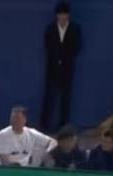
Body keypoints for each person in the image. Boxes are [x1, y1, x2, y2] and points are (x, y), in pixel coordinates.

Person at [41, 1, 81, 131]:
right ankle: (45, 125)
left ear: (68, 15)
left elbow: (77, 47)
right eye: (60, 14)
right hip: (52, 68)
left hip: (67, 68)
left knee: (65, 98)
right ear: (56, 15)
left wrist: (65, 59)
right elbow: (48, 46)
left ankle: (63, 126)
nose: (62, 17)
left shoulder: (75, 29)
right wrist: (56, 59)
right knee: (49, 97)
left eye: (64, 14)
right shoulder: (50, 29)